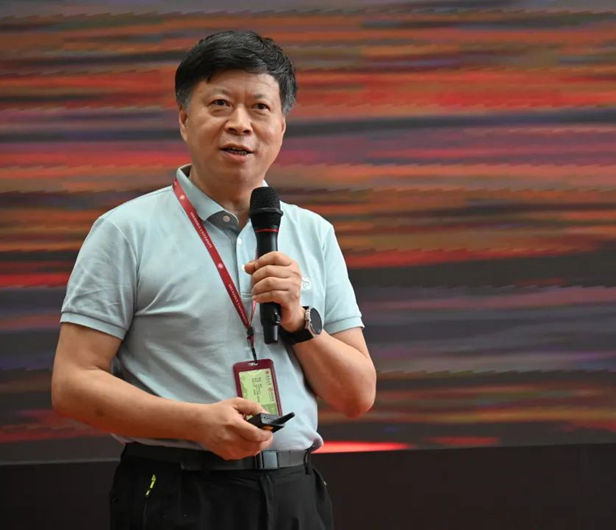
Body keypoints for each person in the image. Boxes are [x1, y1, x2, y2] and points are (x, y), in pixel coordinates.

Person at [51, 30, 376, 530]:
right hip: (178, 489)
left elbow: (356, 396)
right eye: (220, 104)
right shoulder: (124, 231)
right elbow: (73, 384)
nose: (240, 124)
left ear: (281, 126)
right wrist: (196, 423)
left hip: (293, 491)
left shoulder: (314, 232)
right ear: (184, 119)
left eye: (259, 108)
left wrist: (299, 322)